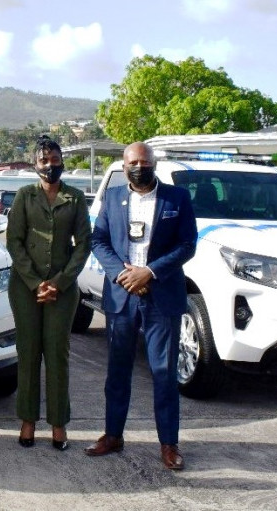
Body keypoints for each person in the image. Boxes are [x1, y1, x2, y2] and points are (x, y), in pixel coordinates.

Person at [85, 141, 196, 470]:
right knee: (117, 372)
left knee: (163, 374)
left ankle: (168, 443)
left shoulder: (177, 199)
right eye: (133, 162)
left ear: (154, 163)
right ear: (123, 165)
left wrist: (149, 272)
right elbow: (99, 239)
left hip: (161, 296)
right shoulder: (114, 197)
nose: (139, 166)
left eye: (145, 162)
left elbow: (187, 244)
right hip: (122, 296)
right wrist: (122, 273)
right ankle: (113, 436)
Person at [6, 136, 91, 451]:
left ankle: (58, 424)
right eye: (44, 160)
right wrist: (34, 282)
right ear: (35, 164)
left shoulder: (75, 197)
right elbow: (14, 241)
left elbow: (83, 243)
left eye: (54, 159)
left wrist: (59, 282)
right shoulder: (24, 196)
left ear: (62, 161)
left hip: (63, 289)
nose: (50, 165)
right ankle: (28, 421)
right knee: (28, 353)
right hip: (26, 288)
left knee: (57, 354)